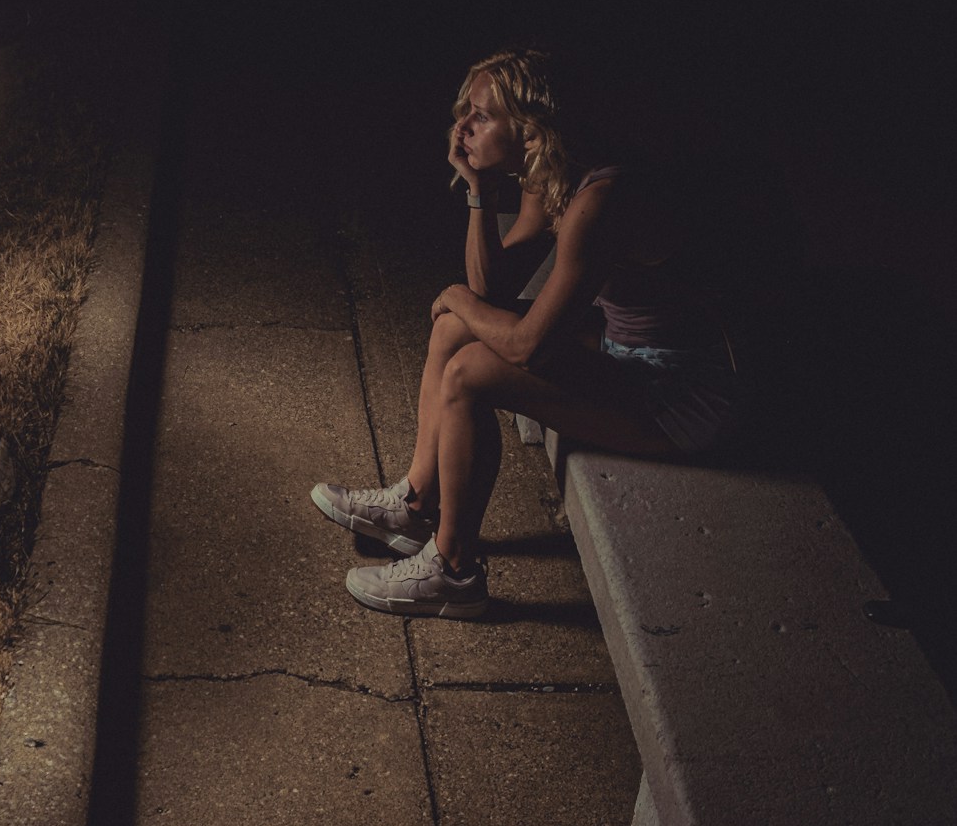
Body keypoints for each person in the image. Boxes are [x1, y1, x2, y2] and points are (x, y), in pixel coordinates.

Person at [311, 48, 740, 619]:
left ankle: (455, 571)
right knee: (454, 333)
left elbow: (527, 346)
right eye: (465, 110)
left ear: (532, 132)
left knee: (469, 372)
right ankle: (415, 505)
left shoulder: (600, 199)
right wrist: (479, 191)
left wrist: (457, 299)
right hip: (627, 351)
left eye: (482, 116)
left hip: (683, 395)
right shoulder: (553, 174)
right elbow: (490, 286)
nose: (462, 125)